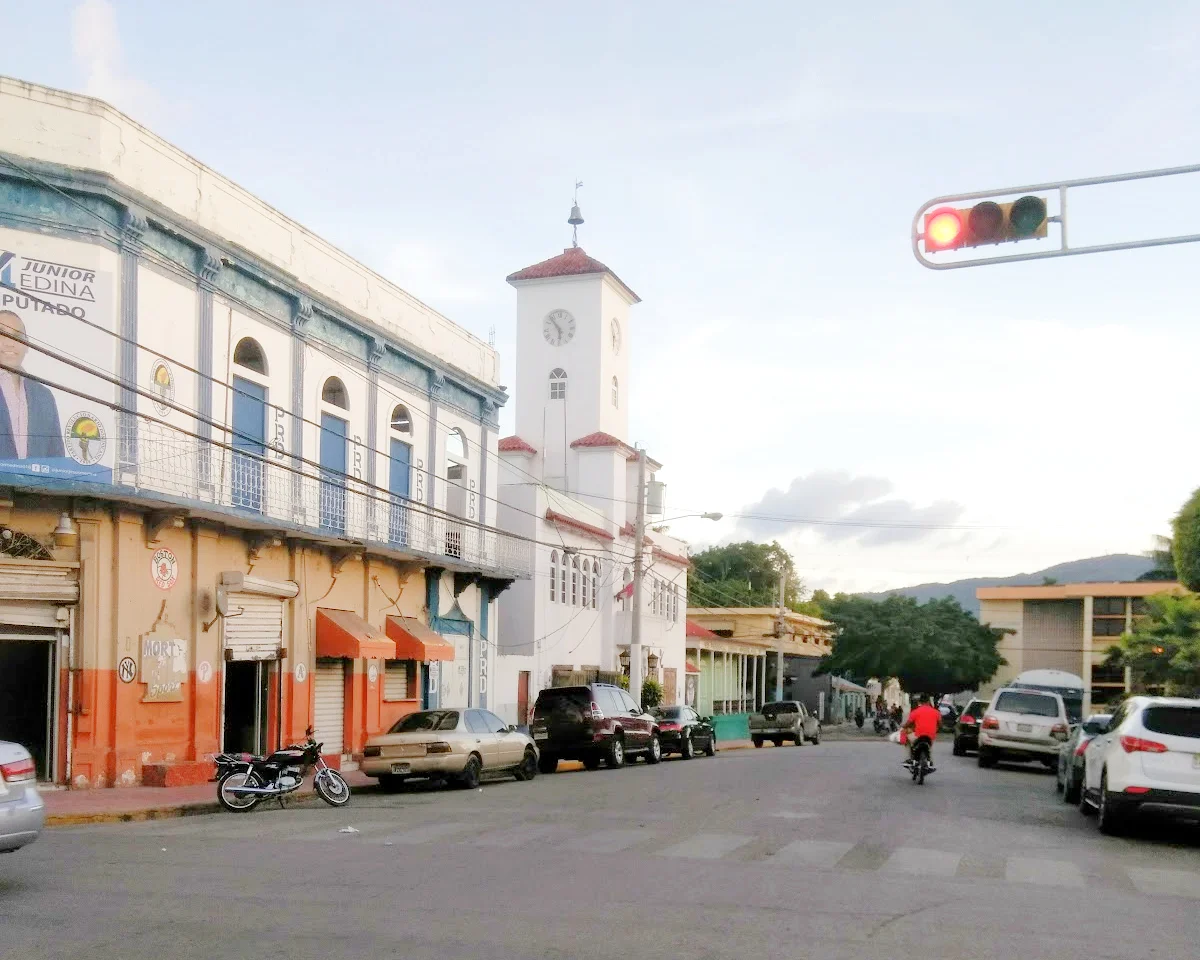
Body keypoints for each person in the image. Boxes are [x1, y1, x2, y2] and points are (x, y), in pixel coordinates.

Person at [0, 310, 64, 460]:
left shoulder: (44, 397)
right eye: (2, 334)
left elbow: (56, 459)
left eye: (17, 336)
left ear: (27, 344)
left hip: (33, 484)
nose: (10, 343)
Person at [902, 695, 941, 772]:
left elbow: (909, 723)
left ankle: (908, 758)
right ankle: (930, 761)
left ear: (919, 702)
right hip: (930, 737)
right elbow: (940, 724)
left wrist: (904, 727)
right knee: (929, 748)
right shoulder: (936, 712)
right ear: (928, 702)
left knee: (907, 738)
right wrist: (936, 729)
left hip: (918, 736)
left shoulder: (915, 711)